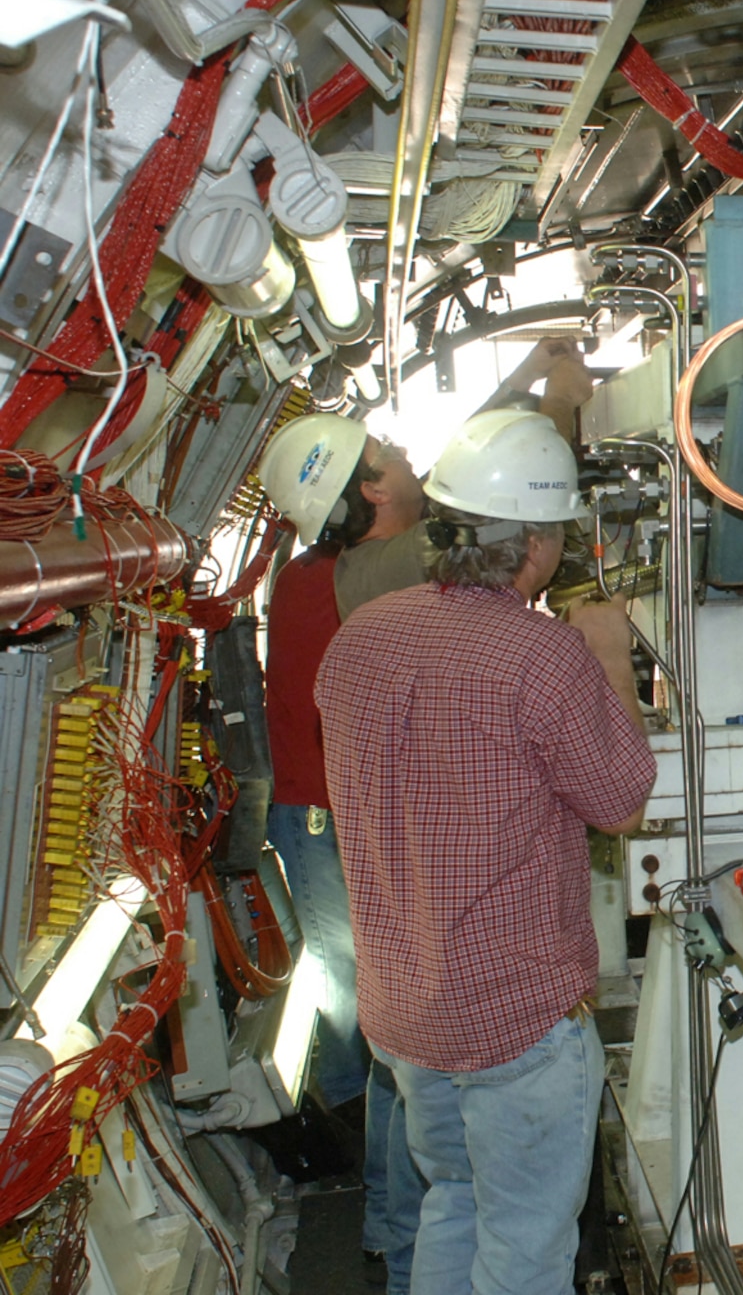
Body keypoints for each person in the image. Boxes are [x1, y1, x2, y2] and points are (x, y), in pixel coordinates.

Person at [316, 409, 656, 1295]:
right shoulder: (543, 656)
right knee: (525, 1249)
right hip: (517, 1023)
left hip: (405, 1011)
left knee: (453, 1203)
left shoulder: (359, 639)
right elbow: (621, 805)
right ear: (538, 546)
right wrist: (610, 654)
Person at [258, 413, 426, 1292]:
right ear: (367, 488)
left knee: (383, 1032)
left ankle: (384, 1222)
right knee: (388, 1036)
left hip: (327, 823)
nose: (409, 457)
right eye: (391, 453)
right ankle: (396, 1240)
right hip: (335, 829)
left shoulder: (308, 577)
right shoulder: (358, 581)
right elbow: (472, 546)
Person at [333, 337, 596, 618]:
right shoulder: (397, 564)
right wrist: (560, 399)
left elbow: (462, 461)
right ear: (375, 492)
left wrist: (525, 374)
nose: (400, 448)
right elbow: (530, 487)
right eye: (385, 447)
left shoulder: (359, 561)